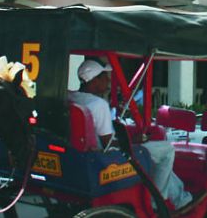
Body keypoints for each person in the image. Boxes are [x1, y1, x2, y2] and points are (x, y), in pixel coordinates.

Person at [68, 59, 193, 209]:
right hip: (107, 158)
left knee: (159, 162)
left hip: (82, 155)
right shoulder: (98, 105)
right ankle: (157, 202)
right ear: (94, 80)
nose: (108, 81)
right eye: (105, 77)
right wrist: (134, 141)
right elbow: (109, 143)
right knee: (166, 150)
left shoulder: (72, 98)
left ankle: (182, 199)